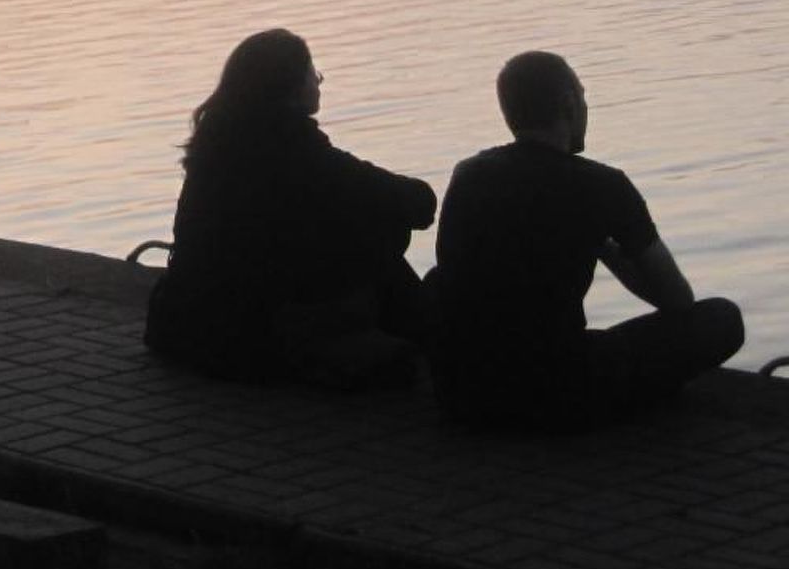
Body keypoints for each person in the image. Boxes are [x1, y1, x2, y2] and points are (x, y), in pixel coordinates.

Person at [427, 51, 743, 431]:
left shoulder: (468, 175)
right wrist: (607, 246)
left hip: (463, 393)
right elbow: (676, 299)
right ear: (568, 104)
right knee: (721, 319)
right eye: (583, 96)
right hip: (555, 392)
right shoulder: (602, 185)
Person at [144, 29, 437, 388]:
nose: (319, 81)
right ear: (291, 88)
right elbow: (417, 203)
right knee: (379, 226)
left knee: (353, 219)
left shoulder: (215, 143)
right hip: (254, 330)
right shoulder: (296, 149)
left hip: (187, 320)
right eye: (312, 73)